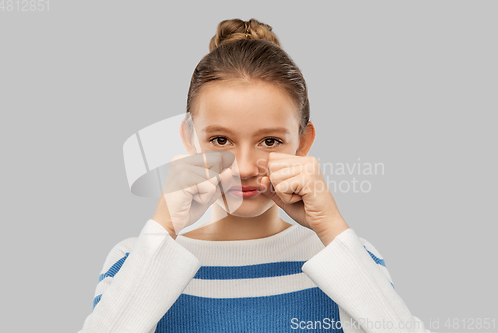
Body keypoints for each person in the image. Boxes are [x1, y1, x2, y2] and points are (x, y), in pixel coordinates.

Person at [78, 18, 431, 333]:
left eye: (270, 141)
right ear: (189, 139)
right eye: (220, 139)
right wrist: (163, 228)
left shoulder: (347, 258)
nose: (245, 167)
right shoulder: (136, 260)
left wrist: (334, 230)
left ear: (303, 142)